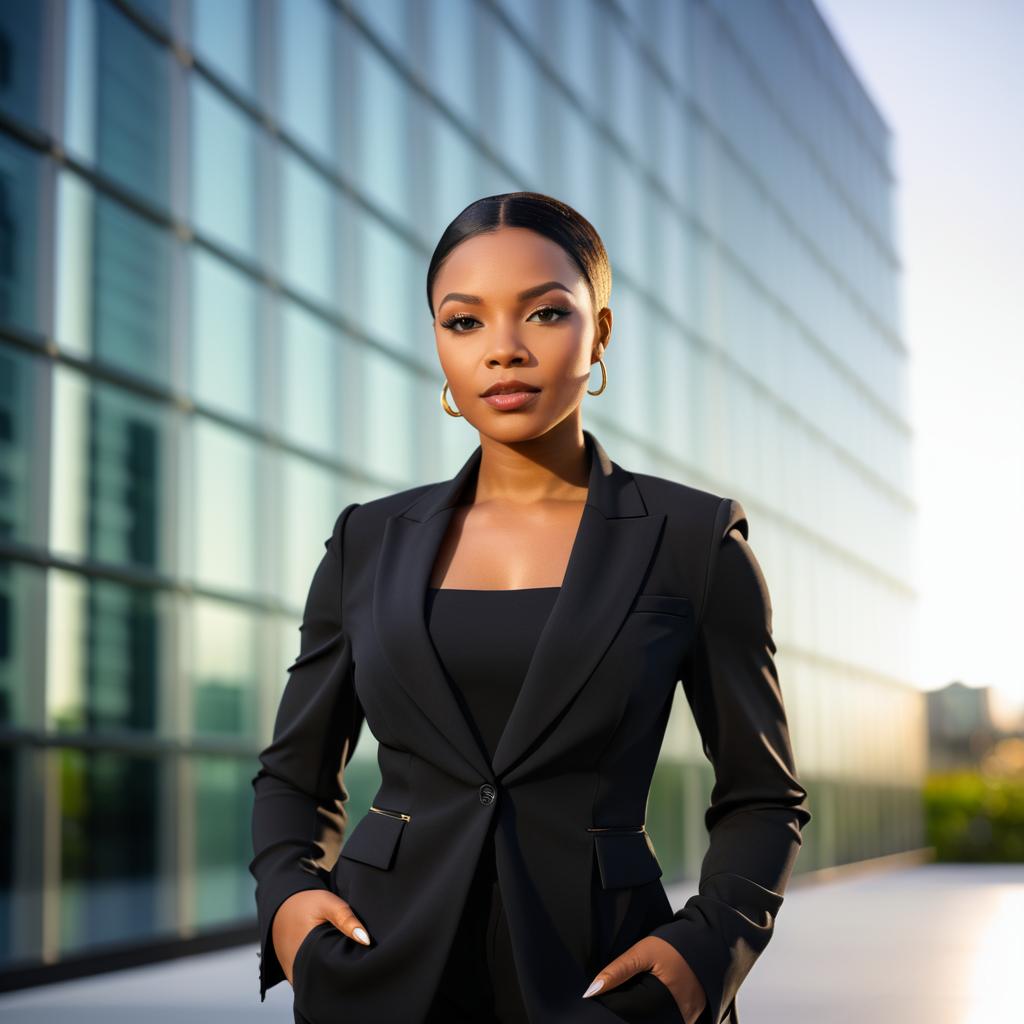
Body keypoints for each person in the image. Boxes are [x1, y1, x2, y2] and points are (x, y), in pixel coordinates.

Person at [249, 192, 812, 1024]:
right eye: (464, 322)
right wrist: (290, 903)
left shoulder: (694, 540)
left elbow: (763, 797)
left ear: (602, 333)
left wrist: (707, 951)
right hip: (376, 971)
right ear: (437, 342)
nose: (503, 351)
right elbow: (294, 774)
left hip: (607, 980)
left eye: (545, 313)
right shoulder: (367, 541)